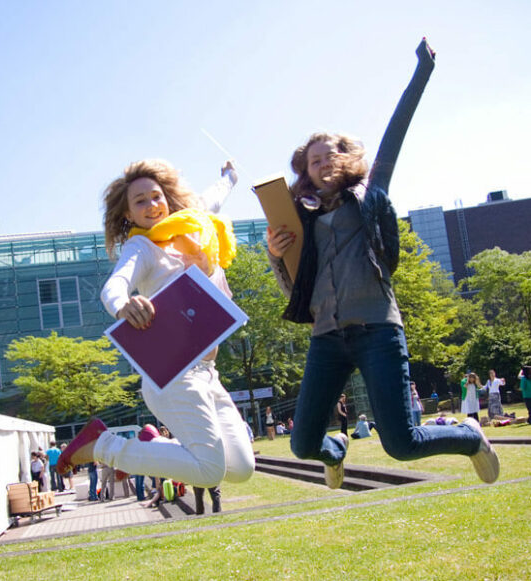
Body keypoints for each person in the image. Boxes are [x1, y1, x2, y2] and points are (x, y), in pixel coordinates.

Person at [265, 38, 499, 488]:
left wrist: (422, 73)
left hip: (377, 331)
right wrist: (277, 257)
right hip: (327, 337)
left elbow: (396, 129)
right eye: (314, 161)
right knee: (302, 443)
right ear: (306, 172)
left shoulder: (369, 195)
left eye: (331, 154)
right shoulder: (303, 222)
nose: (323, 163)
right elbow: (295, 292)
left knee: (402, 443)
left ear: (347, 158)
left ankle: (469, 437)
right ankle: (335, 452)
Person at [57, 159, 255, 491]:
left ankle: (149, 444)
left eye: (156, 196)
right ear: (127, 215)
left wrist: (230, 177)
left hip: (207, 371)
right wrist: (124, 305)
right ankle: (102, 444)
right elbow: (114, 286)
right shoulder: (142, 247)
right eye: (140, 201)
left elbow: (213, 197)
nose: (152, 206)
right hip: (174, 374)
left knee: (241, 468)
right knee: (208, 471)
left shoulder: (193, 225)